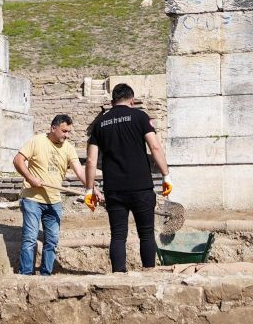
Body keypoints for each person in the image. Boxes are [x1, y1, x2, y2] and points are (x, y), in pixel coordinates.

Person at [84, 83, 172, 272]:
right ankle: (149, 272)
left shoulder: (100, 123)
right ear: (132, 100)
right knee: (146, 234)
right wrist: (166, 176)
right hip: (141, 187)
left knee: (117, 235)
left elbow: (91, 160)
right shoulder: (140, 116)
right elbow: (155, 147)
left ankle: (118, 275)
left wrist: (89, 189)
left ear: (111, 102)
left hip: (114, 189)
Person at [13, 114, 90, 276]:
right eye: (64, 131)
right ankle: (25, 275)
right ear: (53, 128)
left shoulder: (68, 148)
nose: (66, 135)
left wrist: (91, 188)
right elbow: (18, 160)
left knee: (52, 240)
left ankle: (46, 275)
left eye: (69, 132)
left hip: (54, 201)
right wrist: (30, 178)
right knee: (30, 239)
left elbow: (79, 171)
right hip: (32, 199)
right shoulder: (37, 141)